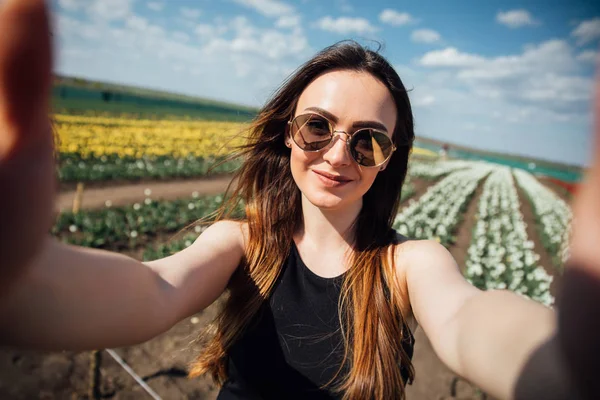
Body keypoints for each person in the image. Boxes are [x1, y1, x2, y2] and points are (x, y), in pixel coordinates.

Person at [0, 1, 598, 399]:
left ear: (389, 159)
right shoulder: (242, 244)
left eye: (368, 141)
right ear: (287, 131)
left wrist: (563, 363)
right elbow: (152, 289)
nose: (339, 154)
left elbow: (468, 320)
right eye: (318, 127)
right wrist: (19, 278)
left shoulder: (409, 265)